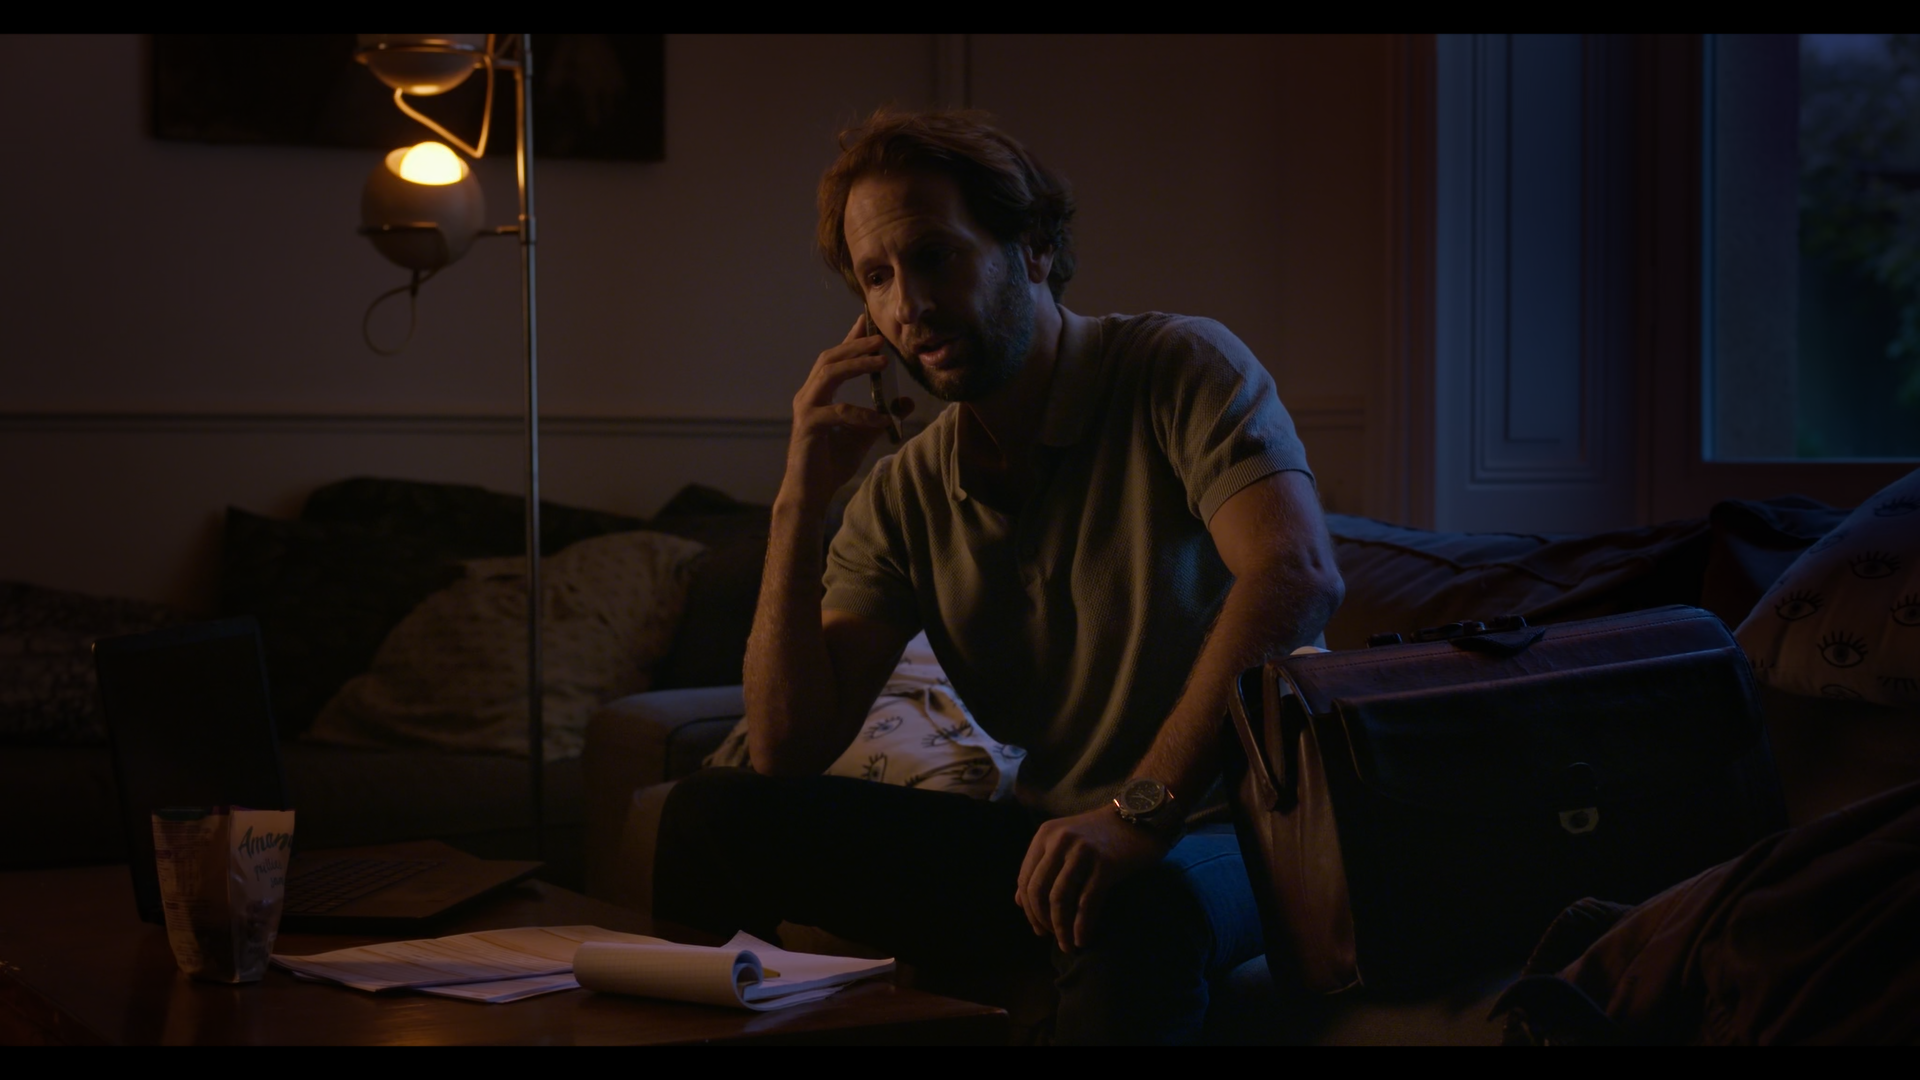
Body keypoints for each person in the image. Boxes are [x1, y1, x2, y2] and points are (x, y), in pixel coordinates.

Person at [651, 110, 1345, 1044]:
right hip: (1049, 840)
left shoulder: (1178, 366)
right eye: (877, 277)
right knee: (713, 816)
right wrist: (798, 501)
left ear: (1035, 249)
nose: (909, 306)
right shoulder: (904, 491)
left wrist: (1138, 813)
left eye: (934, 257)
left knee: (1130, 910)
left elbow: (1296, 573)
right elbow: (785, 748)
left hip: (1243, 829)